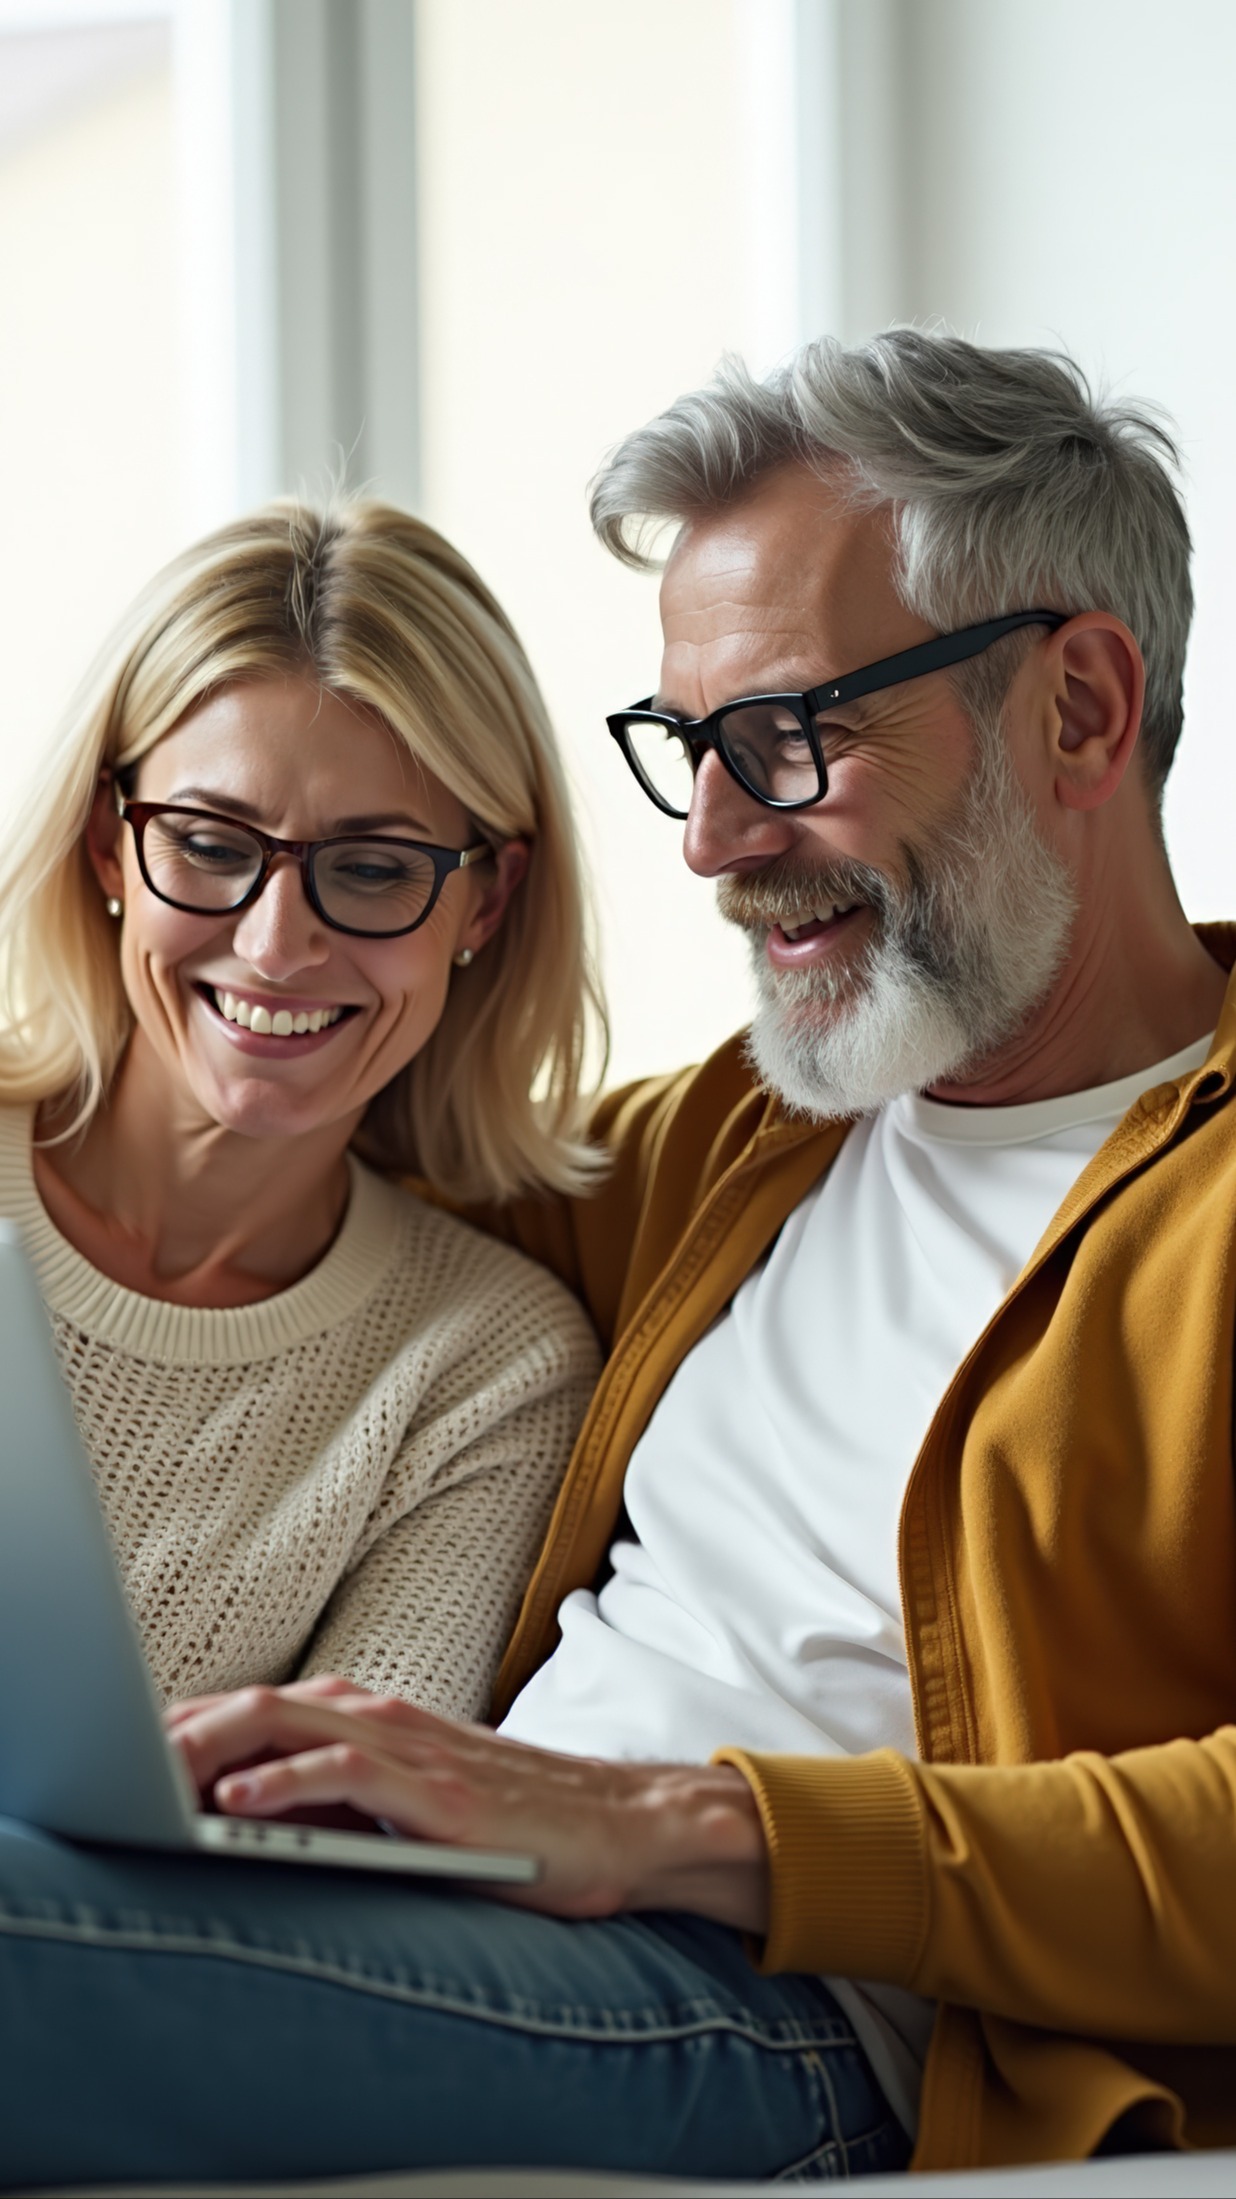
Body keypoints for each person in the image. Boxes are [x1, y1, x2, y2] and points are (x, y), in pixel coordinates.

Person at [3, 331, 1235, 2187]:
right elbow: (292, 1060)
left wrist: (683, 1823)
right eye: (689, 749)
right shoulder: (723, 1149)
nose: (718, 840)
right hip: (463, 1920)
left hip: (793, 2004)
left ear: (1078, 705)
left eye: (788, 735)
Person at [0, 498, 600, 1720]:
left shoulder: (483, 1362)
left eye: (374, 868)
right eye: (211, 843)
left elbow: (333, 1843)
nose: (278, 946)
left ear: (485, 903)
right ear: (112, 848)